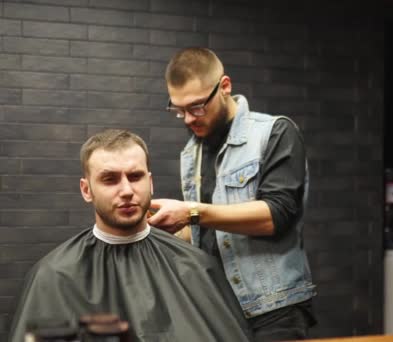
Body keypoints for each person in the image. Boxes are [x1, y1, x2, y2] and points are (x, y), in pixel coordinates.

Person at [9, 129, 252, 342]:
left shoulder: (196, 267)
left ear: (150, 182)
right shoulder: (55, 276)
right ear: (86, 190)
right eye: (109, 179)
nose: (126, 190)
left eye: (135, 177)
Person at [147, 47, 316, 341]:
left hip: (274, 309)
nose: (188, 119)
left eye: (197, 107)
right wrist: (157, 229)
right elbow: (210, 233)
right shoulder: (192, 152)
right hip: (217, 308)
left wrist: (192, 212)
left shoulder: (274, 132)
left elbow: (276, 215)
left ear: (224, 87)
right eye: (179, 110)